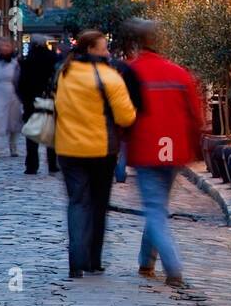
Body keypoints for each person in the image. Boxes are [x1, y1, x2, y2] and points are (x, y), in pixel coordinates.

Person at [123, 18, 204, 289]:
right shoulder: (179, 73)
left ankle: (173, 266)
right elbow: (196, 115)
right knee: (157, 208)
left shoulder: (131, 73)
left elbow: (123, 115)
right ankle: (146, 262)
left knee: (154, 210)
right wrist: (195, 147)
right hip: (173, 149)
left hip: (146, 148)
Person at [54, 30, 137, 278]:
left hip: (68, 149)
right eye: (104, 48)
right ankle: (93, 260)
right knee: (98, 205)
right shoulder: (108, 76)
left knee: (77, 202)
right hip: (101, 150)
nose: (108, 53)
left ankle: (76, 262)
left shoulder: (64, 73)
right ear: (91, 49)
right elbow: (126, 116)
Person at [18, 40, 62, 174]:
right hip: (50, 100)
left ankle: (32, 165)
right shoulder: (53, 60)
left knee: (32, 133)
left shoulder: (27, 62)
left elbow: (21, 85)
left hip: (32, 102)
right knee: (51, 132)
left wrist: (25, 100)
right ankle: (52, 163)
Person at [103, 45, 143, 184]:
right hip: (124, 110)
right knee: (123, 144)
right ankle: (120, 171)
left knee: (115, 144)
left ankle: (118, 170)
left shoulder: (107, 72)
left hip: (111, 113)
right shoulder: (128, 70)